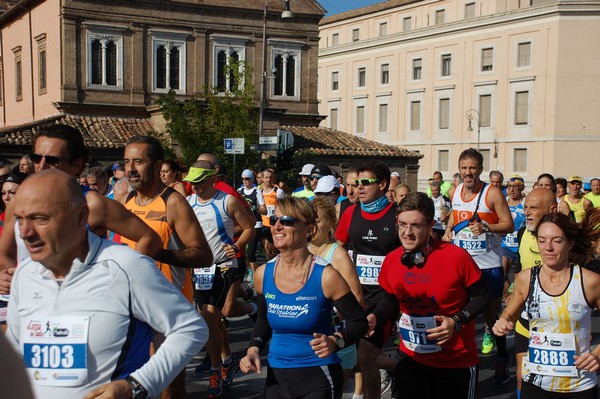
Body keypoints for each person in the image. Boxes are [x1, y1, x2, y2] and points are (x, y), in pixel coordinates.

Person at [6, 170, 208, 399]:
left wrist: (137, 385)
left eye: (40, 218)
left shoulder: (126, 266)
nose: (25, 233)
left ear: (81, 217)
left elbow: (190, 328)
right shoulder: (24, 274)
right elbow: (17, 352)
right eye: (20, 219)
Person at [0, 125, 162, 295]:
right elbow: (5, 252)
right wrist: (5, 275)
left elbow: (149, 237)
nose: (41, 166)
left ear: (76, 165)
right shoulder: (20, 200)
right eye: (36, 158)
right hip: (30, 303)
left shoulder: (93, 204)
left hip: (79, 304)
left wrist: (125, 283)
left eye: (52, 160)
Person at [239, 197, 368, 399]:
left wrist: (336, 341)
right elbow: (264, 320)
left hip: (318, 376)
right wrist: (254, 348)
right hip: (276, 377)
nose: (278, 226)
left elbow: (359, 322)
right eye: (274, 220)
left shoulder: (326, 275)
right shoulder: (263, 274)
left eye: (287, 221)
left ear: (308, 230)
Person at [373, 192, 490, 399]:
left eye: (416, 226)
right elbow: (390, 300)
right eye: (402, 224)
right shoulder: (392, 260)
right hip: (410, 358)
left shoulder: (456, 257)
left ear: (430, 226)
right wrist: (375, 318)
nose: (407, 232)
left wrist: (456, 321)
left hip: (455, 363)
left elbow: (483, 296)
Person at [122, 136, 213, 399]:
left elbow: (203, 256)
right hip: (131, 306)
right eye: (127, 162)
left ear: (157, 164)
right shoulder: (127, 200)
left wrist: (159, 253)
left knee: (169, 388)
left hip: (167, 309)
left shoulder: (173, 202)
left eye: (138, 161)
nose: (131, 168)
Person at [494, 213, 600, 399]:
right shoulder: (526, 278)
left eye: (557, 241)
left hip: (579, 384)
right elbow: (510, 314)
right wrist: (502, 322)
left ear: (570, 243)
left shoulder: (589, 281)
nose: (548, 248)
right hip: (536, 382)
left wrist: (598, 354)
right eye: (542, 241)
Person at [184, 160, 255, 398]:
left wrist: (237, 246)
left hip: (223, 267)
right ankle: (227, 360)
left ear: (211, 179)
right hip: (198, 270)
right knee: (213, 322)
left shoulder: (227, 201)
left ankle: (216, 372)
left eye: (199, 182)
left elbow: (249, 226)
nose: (194, 187)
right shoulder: (187, 203)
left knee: (209, 319)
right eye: (191, 182)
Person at [443, 148, 514, 384]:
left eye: (472, 168)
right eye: (464, 168)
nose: (468, 172)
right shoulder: (455, 191)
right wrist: (448, 229)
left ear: (480, 169)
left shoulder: (491, 193)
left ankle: (502, 357)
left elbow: (509, 225)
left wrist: (486, 227)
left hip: (488, 265)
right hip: (461, 265)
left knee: (492, 316)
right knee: (459, 314)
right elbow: (455, 217)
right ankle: (460, 361)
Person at [335, 162, 399, 399]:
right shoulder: (351, 212)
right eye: (357, 183)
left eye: (365, 183)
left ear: (382, 185)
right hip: (354, 295)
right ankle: (393, 367)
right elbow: (338, 247)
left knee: (366, 356)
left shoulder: (397, 214)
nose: (359, 188)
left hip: (385, 297)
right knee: (350, 355)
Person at [309, 196, 365, 390]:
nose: (312, 225)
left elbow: (357, 297)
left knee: (331, 392)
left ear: (331, 223)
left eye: (317, 220)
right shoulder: (301, 251)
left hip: (335, 336)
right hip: (308, 337)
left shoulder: (338, 254)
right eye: (308, 219)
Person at [501, 174, 526, 299]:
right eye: (509, 186)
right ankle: (506, 299)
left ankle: (516, 297)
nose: (511, 190)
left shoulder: (526, 203)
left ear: (522, 188)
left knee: (519, 277)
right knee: (503, 274)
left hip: (521, 246)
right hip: (506, 245)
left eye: (515, 187)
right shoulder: (503, 202)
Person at [238, 169, 266, 278]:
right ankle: (250, 270)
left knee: (250, 253)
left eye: (247, 179)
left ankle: (255, 276)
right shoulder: (239, 191)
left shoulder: (257, 191)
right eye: (243, 179)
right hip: (243, 224)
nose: (245, 181)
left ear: (252, 180)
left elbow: (264, 210)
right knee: (241, 251)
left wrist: (254, 207)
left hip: (256, 224)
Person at [259, 168, 286, 260]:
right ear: (262, 179)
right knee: (266, 245)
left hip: (274, 223)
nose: (268, 180)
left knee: (274, 247)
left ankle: (276, 260)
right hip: (264, 223)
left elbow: (284, 207)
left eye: (270, 177)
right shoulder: (259, 192)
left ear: (274, 178)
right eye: (266, 177)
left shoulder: (278, 192)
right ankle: (269, 263)